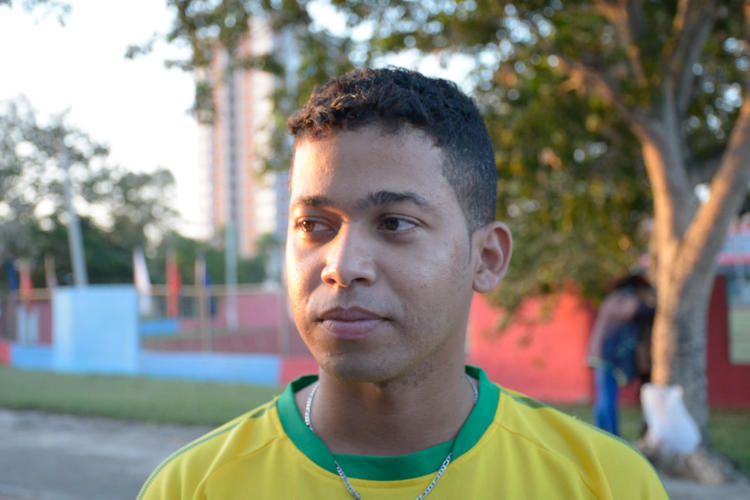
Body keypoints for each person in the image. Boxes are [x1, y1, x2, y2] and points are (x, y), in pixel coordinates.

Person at [138, 67, 668, 499]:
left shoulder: (606, 484)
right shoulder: (192, 488)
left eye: (394, 223)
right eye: (312, 225)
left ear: (486, 257)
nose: (342, 266)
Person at [587, 275, 656, 436]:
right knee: (606, 398)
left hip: (606, 355)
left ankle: (608, 433)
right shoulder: (621, 298)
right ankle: (607, 434)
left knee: (607, 397)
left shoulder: (618, 297)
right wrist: (651, 304)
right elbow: (634, 310)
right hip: (604, 355)